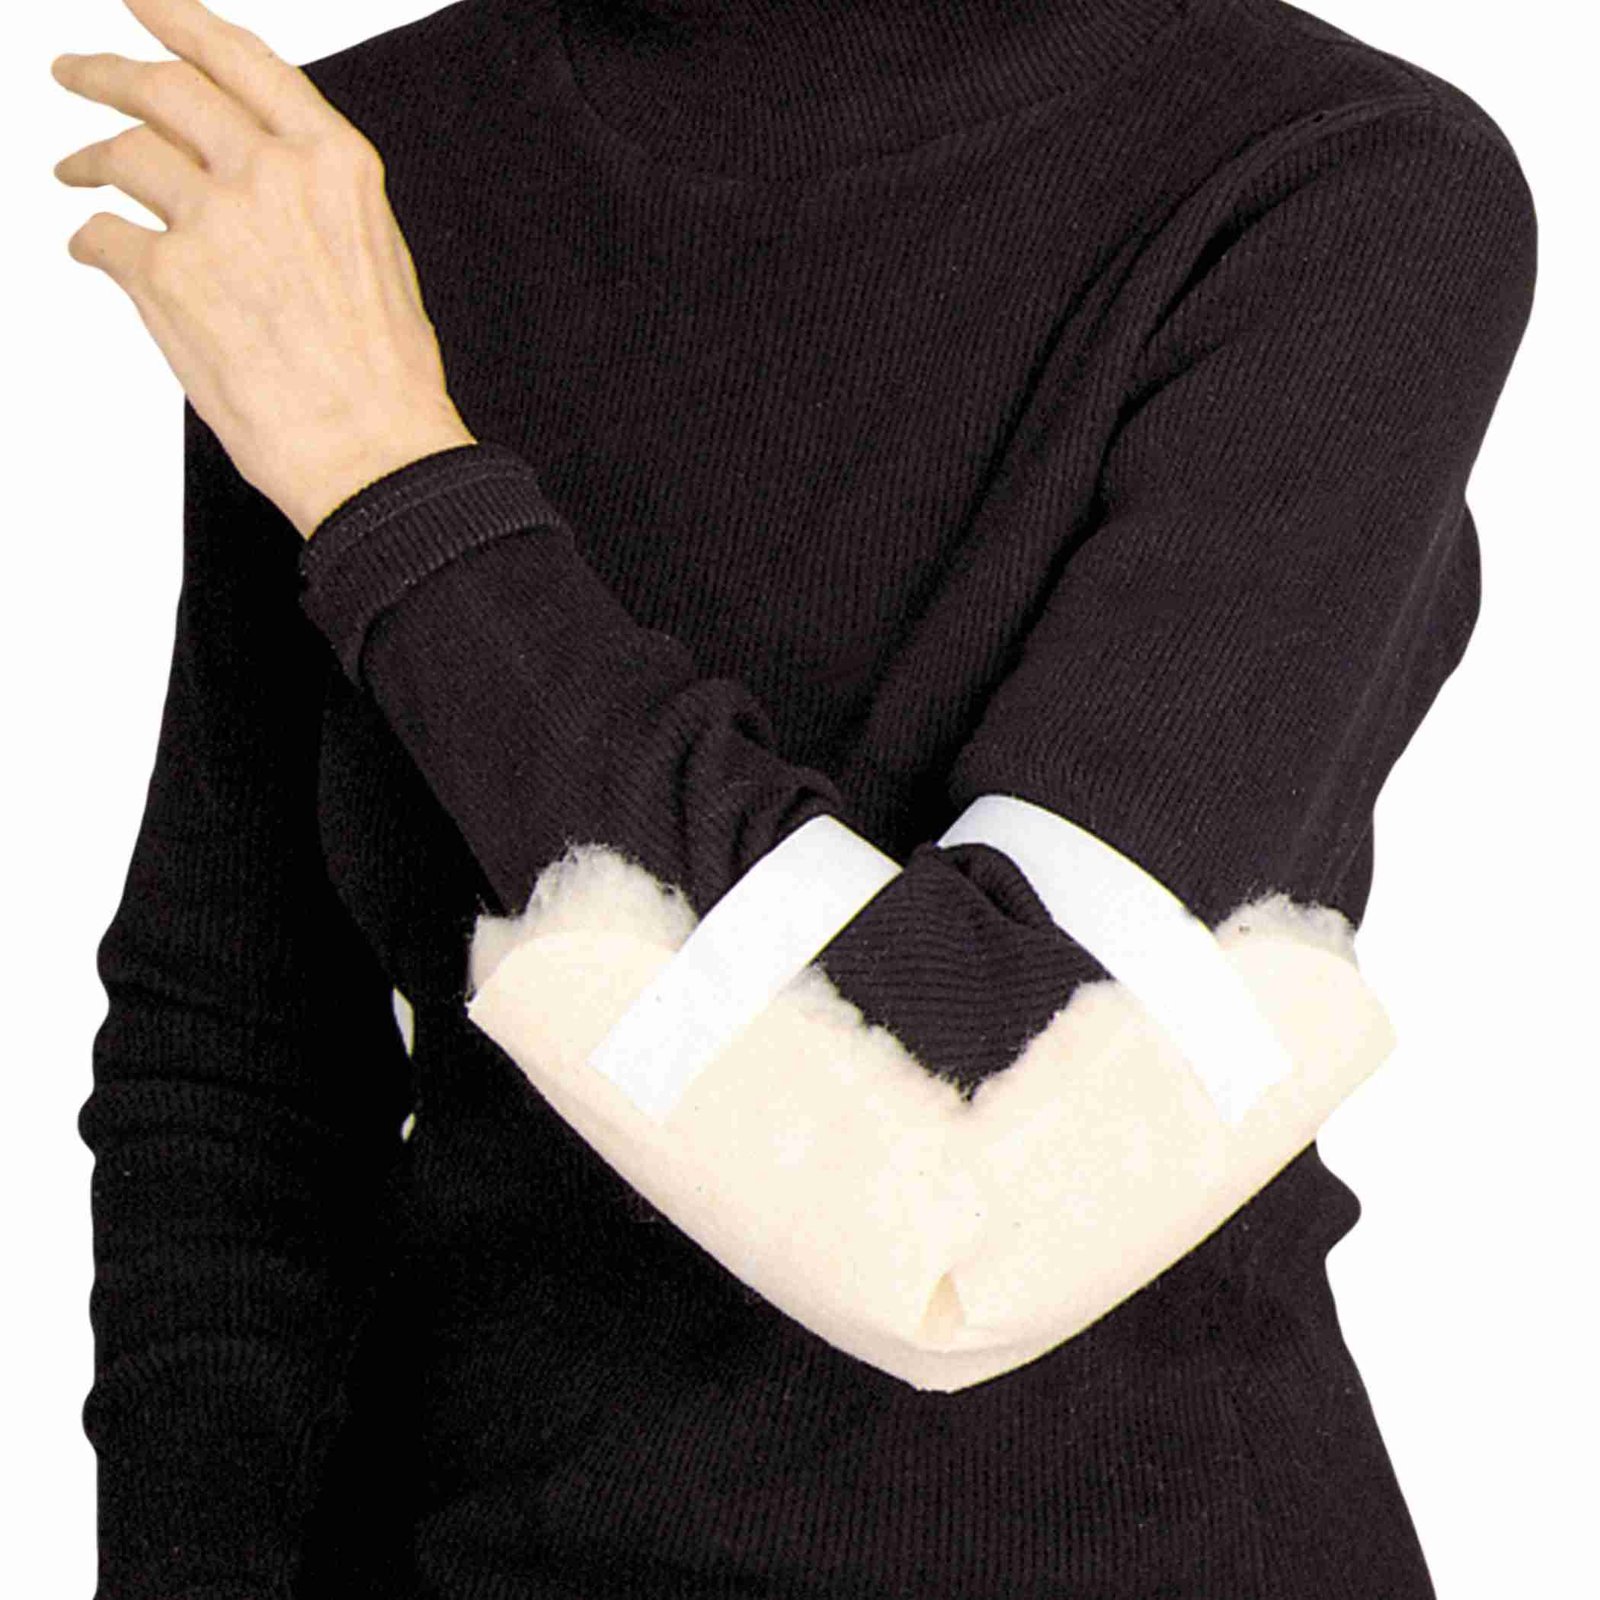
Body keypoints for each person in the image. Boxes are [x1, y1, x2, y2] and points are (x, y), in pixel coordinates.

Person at [68, 0, 1537, 1595]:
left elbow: (984, 1138)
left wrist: (395, 484)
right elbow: (236, 1064)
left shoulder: (1339, 180)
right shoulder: (348, 177)